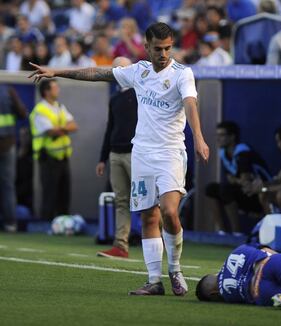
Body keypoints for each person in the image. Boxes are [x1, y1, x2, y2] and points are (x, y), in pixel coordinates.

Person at [29, 22, 209, 297]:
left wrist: (198, 136)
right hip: (142, 154)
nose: (163, 54)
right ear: (146, 47)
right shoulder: (138, 71)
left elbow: (190, 104)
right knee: (149, 216)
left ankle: (174, 268)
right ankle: (153, 281)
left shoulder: (183, 74)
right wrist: (58, 72)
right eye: (158, 49)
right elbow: (97, 73)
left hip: (171, 152)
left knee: (170, 212)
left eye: (168, 48)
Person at [96, 57, 137, 259]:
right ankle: (121, 245)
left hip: (135, 153)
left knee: (147, 201)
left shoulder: (141, 93)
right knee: (122, 201)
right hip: (116, 153)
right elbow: (109, 128)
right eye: (115, 70)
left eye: (122, 69)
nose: (118, 73)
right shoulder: (115, 98)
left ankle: (160, 240)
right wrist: (102, 158)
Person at [206, 121, 270, 235]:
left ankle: (236, 232)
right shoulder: (223, 153)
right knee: (210, 189)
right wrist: (237, 180)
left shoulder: (242, 152)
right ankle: (221, 231)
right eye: (217, 135)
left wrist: (237, 180)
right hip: (244, 192)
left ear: (232, 137)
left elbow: (245, 181)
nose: (218, 138)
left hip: (259, 194)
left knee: (226, 189)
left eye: (222, 135)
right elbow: (232, 178)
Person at [29, 79, 79, 220]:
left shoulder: (59, 107)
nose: (58, 90)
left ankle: (62, 222)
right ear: (46, 92)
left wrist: (61, 129)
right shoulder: (40, 110)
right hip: (47, 157)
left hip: (63, 156)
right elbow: (51, 131)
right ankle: (46, 223)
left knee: (64, 192)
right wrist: (65, 128)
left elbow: (74, 126)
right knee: (49, 193)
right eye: (55, 87)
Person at [0, 85, 27, 232]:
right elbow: (23, 113)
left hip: (7, 144)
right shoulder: (8, 91)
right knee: (8, 186)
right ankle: (10, 223)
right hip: (8, 144)